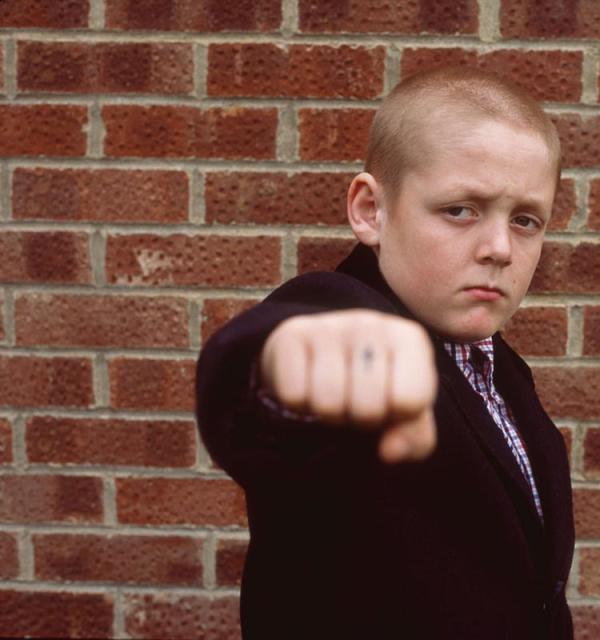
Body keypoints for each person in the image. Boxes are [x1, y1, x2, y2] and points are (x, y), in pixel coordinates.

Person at [195, 66, 575, 639]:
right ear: (371, 210)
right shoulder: (339, 314)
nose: (499, 248)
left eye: (525, 220)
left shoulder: (501, 375)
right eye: (461, 210)